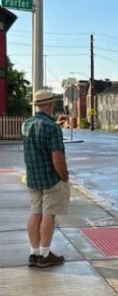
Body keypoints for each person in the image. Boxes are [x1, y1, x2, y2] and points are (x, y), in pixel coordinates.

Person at [22, 89, 70, 268]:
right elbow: (57, 157)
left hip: (33, 177)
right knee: (49, 214)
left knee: (35, 213)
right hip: (51, 178)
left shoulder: (26, 124)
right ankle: (45, 254)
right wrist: (64, 177)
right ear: (50, 105)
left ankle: (34, 254)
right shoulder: (53, 128)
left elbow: (37, 142)